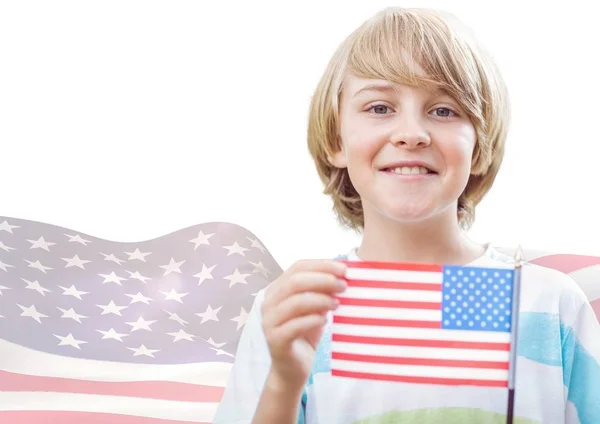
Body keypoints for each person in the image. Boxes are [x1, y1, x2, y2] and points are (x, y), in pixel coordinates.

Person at [212, 6, 600, 424]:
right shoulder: (292, 309)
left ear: (480, 147)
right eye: (379, 108)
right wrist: (284, 383)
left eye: (444, 110)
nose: (412, 133)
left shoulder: (548, 302)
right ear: (335, 139)